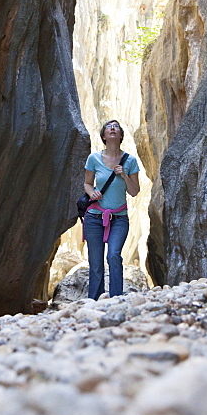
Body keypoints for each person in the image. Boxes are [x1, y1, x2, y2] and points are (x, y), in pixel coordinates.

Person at [83, 119, 140, 299]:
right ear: (104, 136)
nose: (113, 128)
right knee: (96, 262)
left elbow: (134, 191)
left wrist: (123, 174)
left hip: (119, 218)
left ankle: (116, 298)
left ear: (121, 135)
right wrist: (92, 193)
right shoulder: (93, 159)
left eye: (116, 127)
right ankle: (95, 300)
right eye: (109, 127)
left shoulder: (130, 161)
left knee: (114, 255)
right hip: (94, 217)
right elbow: (87, 183)